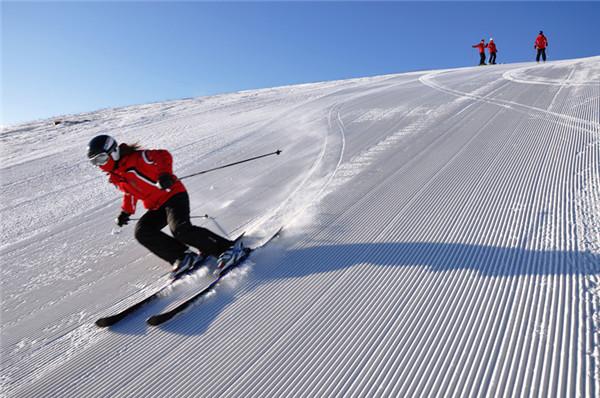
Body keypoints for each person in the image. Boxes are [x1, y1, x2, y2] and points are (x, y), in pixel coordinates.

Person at [87, 134, 245, 277]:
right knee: (143, 232)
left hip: (173, 195)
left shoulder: (137, 158)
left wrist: (164, 174)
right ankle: (182, 256)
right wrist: (126, 212)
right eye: (95, 162)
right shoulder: (117, 176)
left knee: (180, 230)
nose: (100, 164)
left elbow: (163, 155)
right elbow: (130, 193)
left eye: (101, 158)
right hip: (157, 206)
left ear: (113, 152)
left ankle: (227, 249)